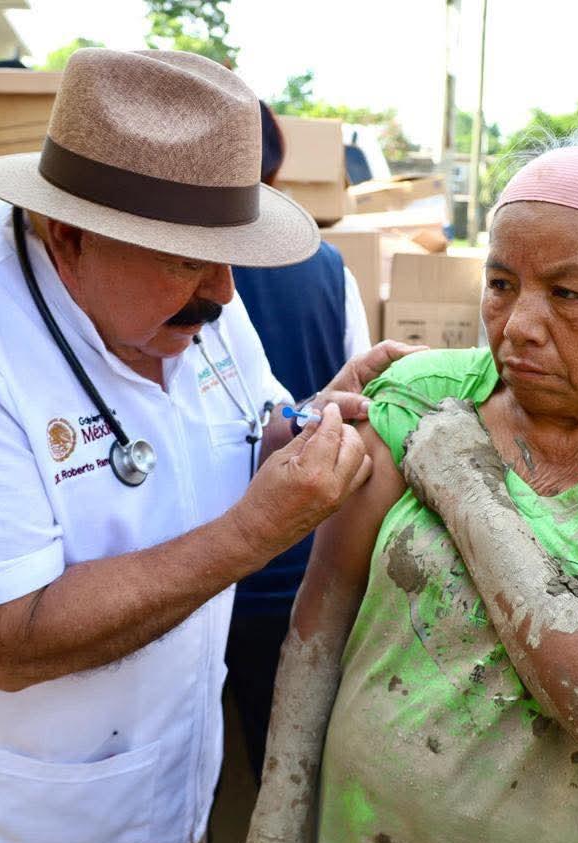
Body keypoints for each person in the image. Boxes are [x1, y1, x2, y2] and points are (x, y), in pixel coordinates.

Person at [0, 48, 417, 843]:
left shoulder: (197, 297)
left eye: (230, 257)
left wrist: (314, 419)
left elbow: (247, 430)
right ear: (68, 235)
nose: (225, 293)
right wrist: (254, 534)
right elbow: (5, 637)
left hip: (173, 805)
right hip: (12, 826)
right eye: (185, 260)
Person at [244, 119, 578, 843]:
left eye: (569, 293)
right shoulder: (424, 392)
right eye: (501, 283)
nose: (519, 324)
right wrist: (276, 826)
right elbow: (321, 622)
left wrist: (468, 488)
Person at [226, 102, 372, 783]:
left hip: (188, 564)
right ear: (276, 166)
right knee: (279, 775)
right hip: (299, 569)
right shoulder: (327, 264)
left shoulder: (153, 258)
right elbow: (361, 409)